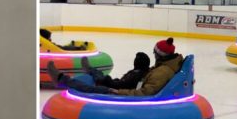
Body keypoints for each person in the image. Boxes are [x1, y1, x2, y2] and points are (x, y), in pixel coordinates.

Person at [48, 39, 183, 96]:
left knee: (92, 88)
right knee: (101, 78)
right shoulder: (163, 67)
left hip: (125, 94)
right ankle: (89, 70)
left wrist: (119, 92)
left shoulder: (162, 71)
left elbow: (145, 93)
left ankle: (61, 79)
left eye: (155, 52)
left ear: (159, 55)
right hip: (127, 88)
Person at [45, 52, 150, 93]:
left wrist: (109, 81)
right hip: (116, 87)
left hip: (115, 91)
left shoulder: (138, 75)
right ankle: (90, 69)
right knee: (99, 75)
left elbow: (123, 85)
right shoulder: (137, 72)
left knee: (86, 87)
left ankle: (60, 79)